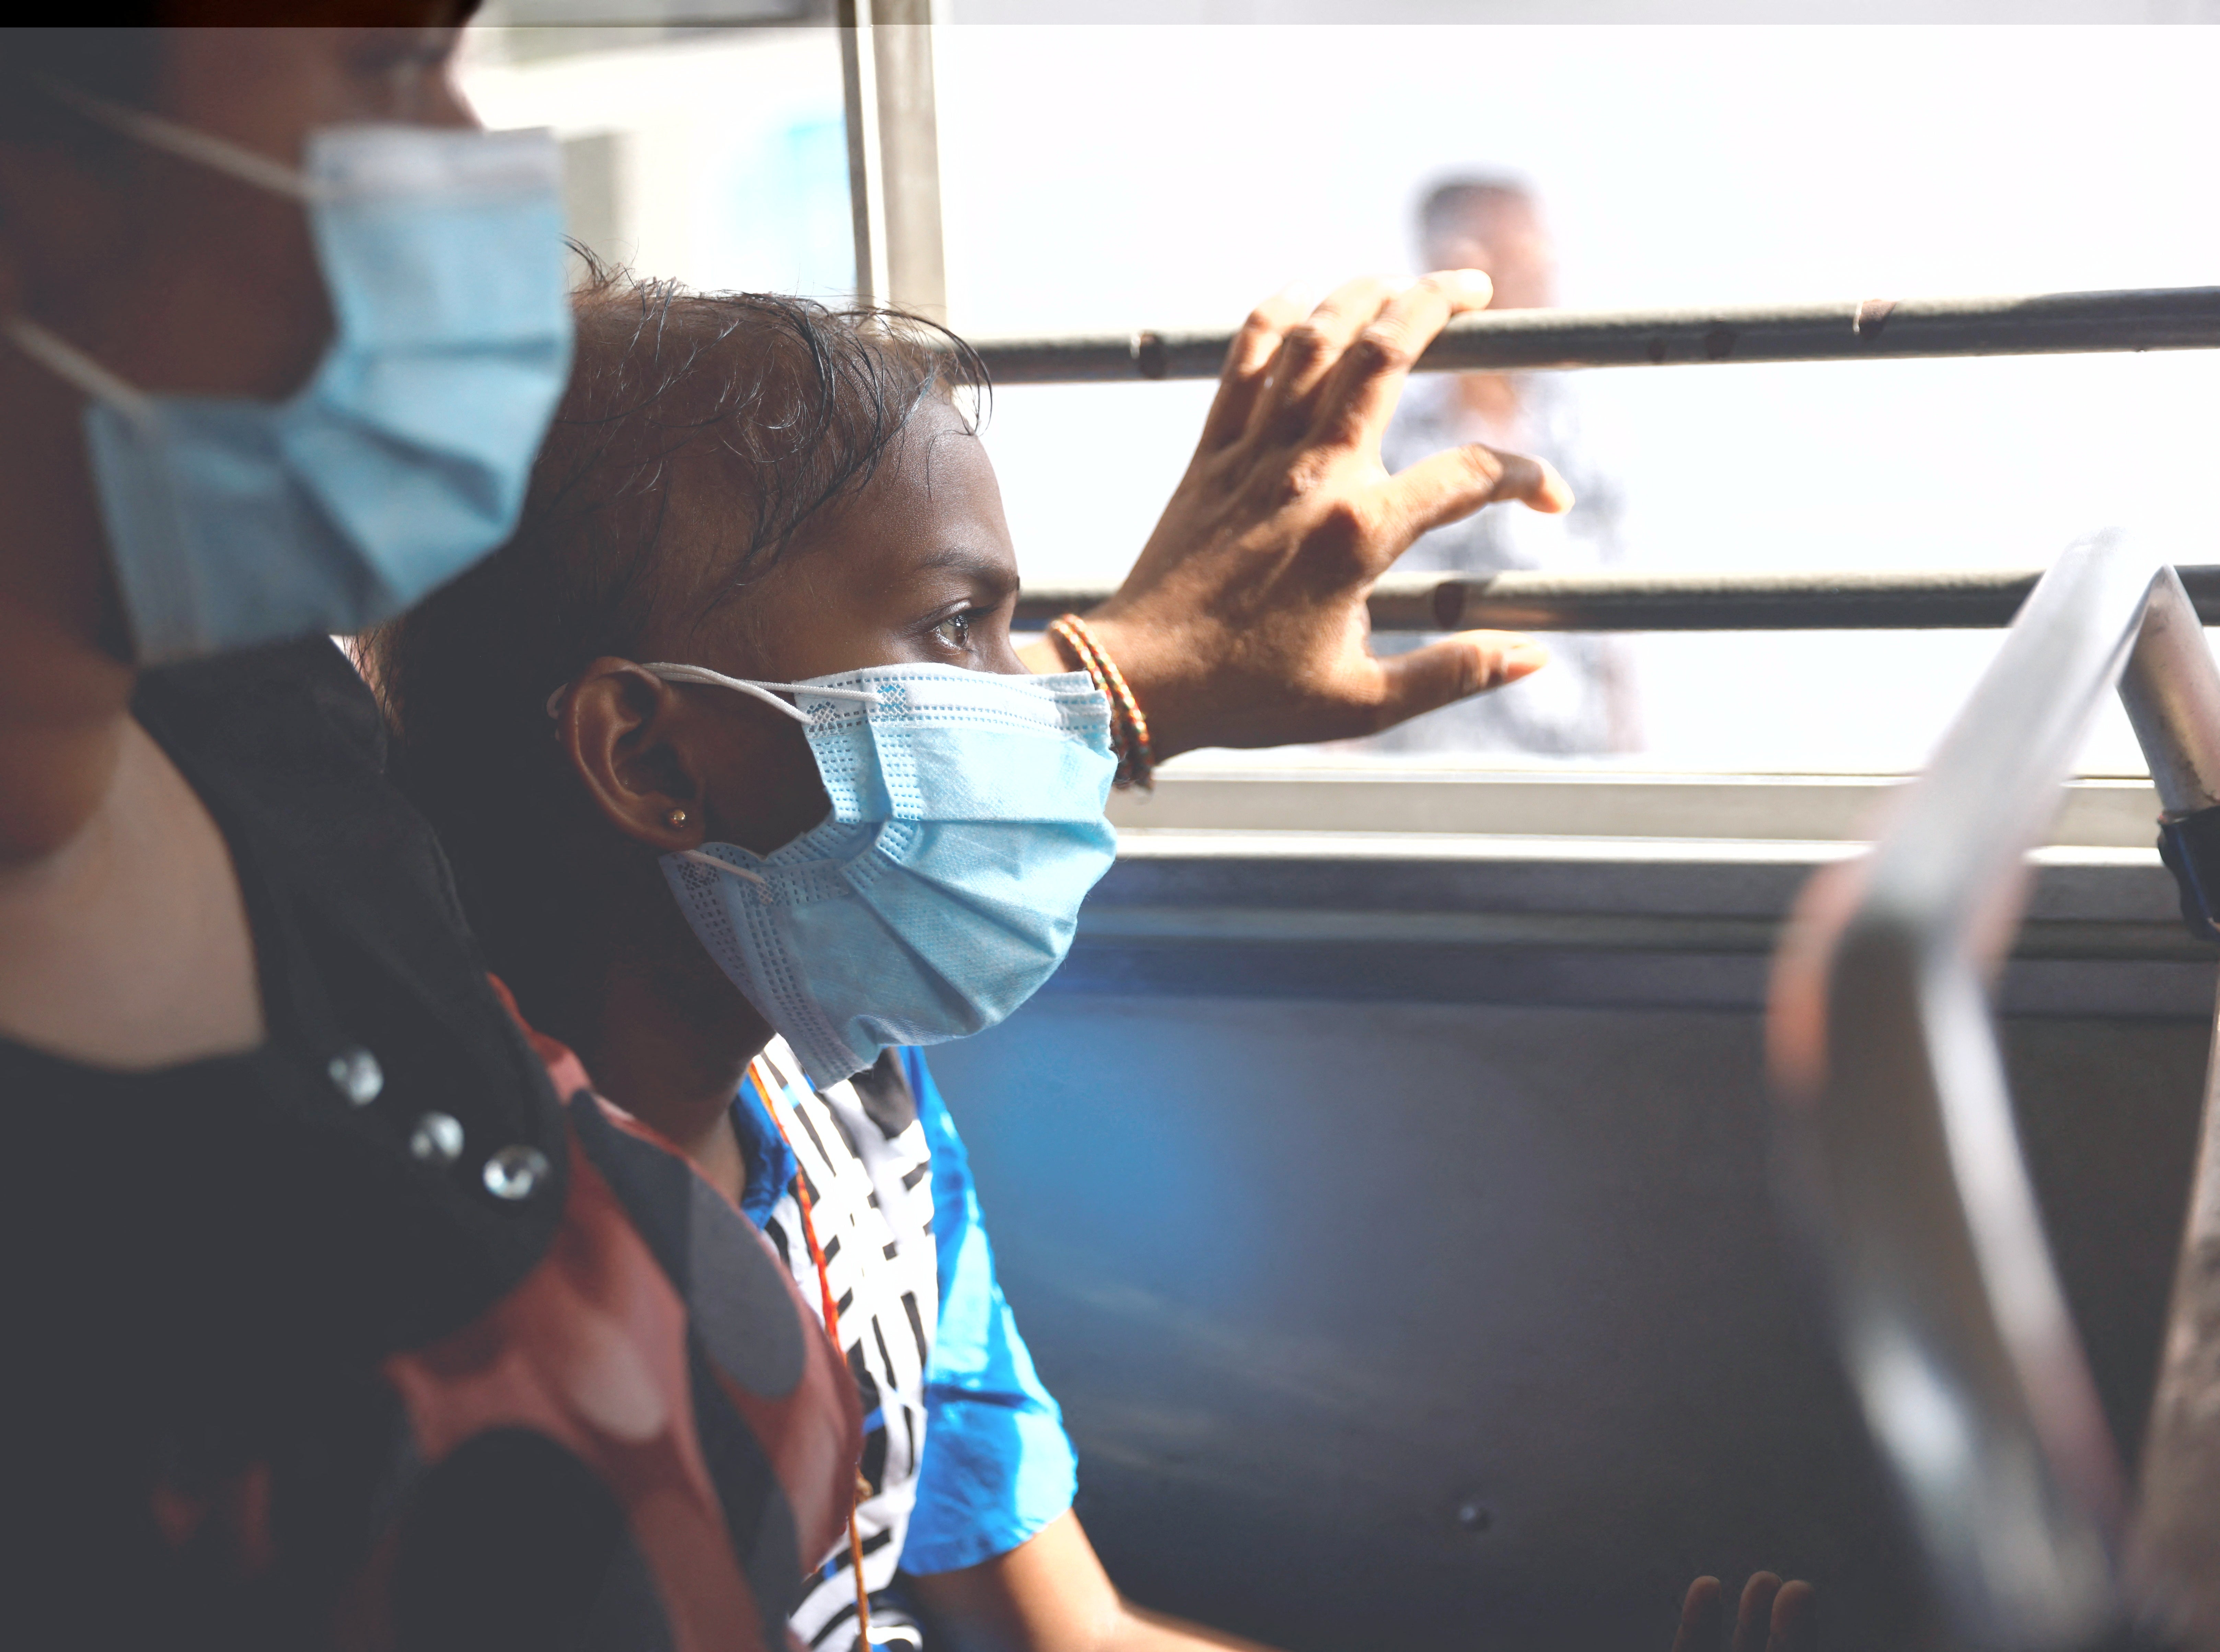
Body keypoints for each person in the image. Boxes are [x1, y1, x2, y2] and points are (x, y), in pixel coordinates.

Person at [0, 18, 1584, 1647]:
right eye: (392, 66)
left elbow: (1072, 1629)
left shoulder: (837, 1111)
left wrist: (1134, 674)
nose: (472, 153)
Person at [368, 272, 1810, 1652]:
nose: (1057, 713)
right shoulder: (453, 1267)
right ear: (653, 755)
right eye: (957, 627)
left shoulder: (858, 1120)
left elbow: (1074, 1629)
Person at [1367, 174, 1640, 758]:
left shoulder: (1581, 437)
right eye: (1517, 259)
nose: (1540, 284)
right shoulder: (1383, 438)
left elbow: (1610, 628)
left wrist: (1631, 768)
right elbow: (1346, 617)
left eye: (1540, 261)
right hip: (1426, 777)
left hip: (1570, 774)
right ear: (1453, 267)